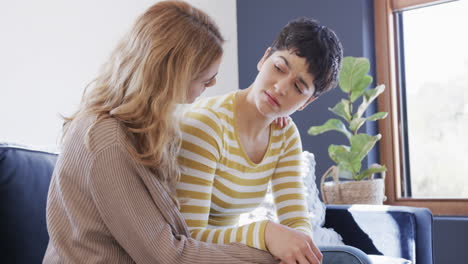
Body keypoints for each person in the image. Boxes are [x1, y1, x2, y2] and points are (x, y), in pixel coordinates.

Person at [43, 1, 277, 263]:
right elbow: (167, 256)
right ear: (169, 75)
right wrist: (265, 254)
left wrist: (264, 117)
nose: (212, 84)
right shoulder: (107, 141)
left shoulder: (138, 129)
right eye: (204, 77)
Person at [176, 17, 343, 264]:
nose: (280, 88)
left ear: (308, 102)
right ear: (264, 59)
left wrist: (298, 250)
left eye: (298, 87)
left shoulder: (284, 135)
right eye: (279, 68)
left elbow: (296, 220)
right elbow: (187, 237)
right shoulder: (208, 124)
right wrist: (265, 232)